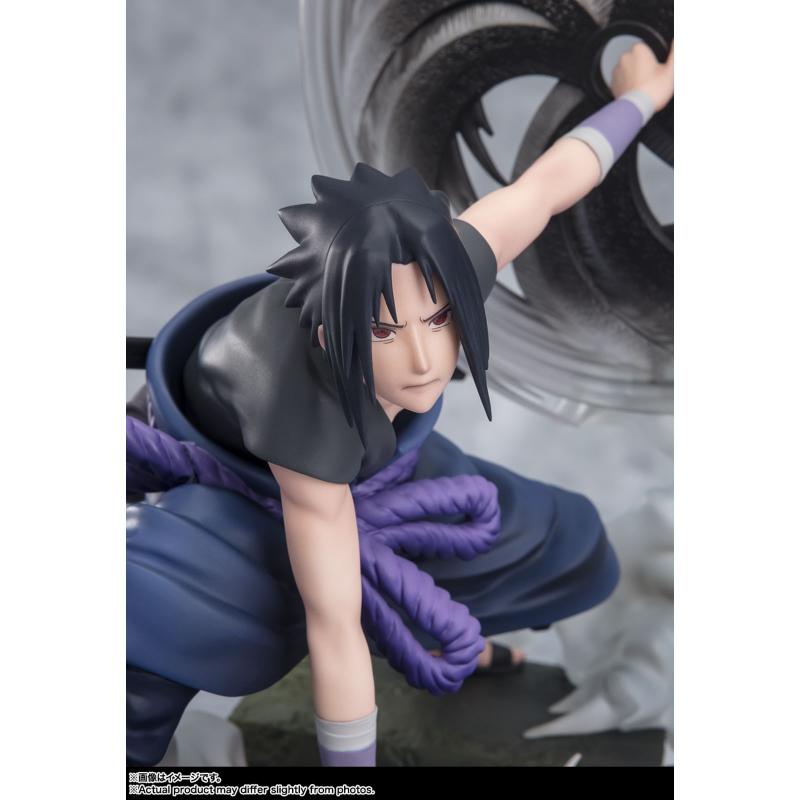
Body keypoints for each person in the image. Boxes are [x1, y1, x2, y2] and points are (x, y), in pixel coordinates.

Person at [127, 41, 674, 767]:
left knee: (560, 543)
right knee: (171, 622)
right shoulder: (303, 414)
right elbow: (334, 626)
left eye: (438, 319)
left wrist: (642, 95)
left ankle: (437, 629)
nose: (424, 358)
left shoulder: (440, 262)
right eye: (385, 330)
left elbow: (549, 184)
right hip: (232, 477)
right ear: (332, 332)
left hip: (379, 459)